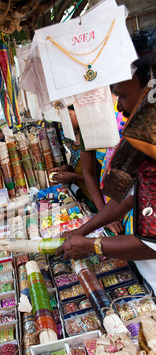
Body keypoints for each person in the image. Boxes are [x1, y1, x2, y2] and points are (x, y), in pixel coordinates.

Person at [56, 26, 156, 292]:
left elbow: (151, 244)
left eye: (123, 96)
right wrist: (84, 230)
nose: (120, 108)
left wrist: (92, 245)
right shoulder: (143, 142)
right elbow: (129, 196)